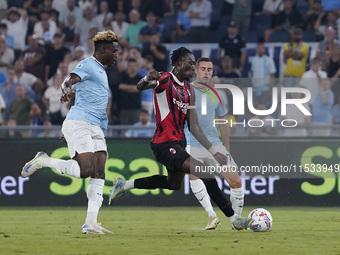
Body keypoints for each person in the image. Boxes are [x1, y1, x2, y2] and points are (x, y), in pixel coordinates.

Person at [108, 47, 251, 230]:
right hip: (163, 143)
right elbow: (140, 87)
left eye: (194, 64)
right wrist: (146, 79)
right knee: (204, 172)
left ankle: (124, 185)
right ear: (178, 63)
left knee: (173, 184)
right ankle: (234, 220)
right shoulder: (165, 79)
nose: (193, 68)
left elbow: (194, 127)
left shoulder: (189, 91)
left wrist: (214, 151)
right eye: (190, 63)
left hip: (179, 143)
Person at [21, 30, 119, 234]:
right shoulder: (88, 64)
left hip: (96, 126)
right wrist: (66, 89)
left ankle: (90, 223)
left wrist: (73, 97)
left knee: (99, 171)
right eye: (114, 51)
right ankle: (44, 160)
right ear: (102, 51)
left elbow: (83, 93)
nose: (116, 54)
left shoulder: (101, 70)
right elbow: (69, 79)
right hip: (81, 122)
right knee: (85, 170)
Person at [185, 57, 245, 230]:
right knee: (194, 175)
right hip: (191, 142)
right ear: (195, 71)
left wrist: (226, 147)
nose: (206, 72)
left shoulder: (217, 93)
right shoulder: (186, 90)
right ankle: (212, 216)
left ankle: (237, 221)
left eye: (209, 69)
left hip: (214, 143)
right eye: (203, 69)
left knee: (236, 182)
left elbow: (223, 121)